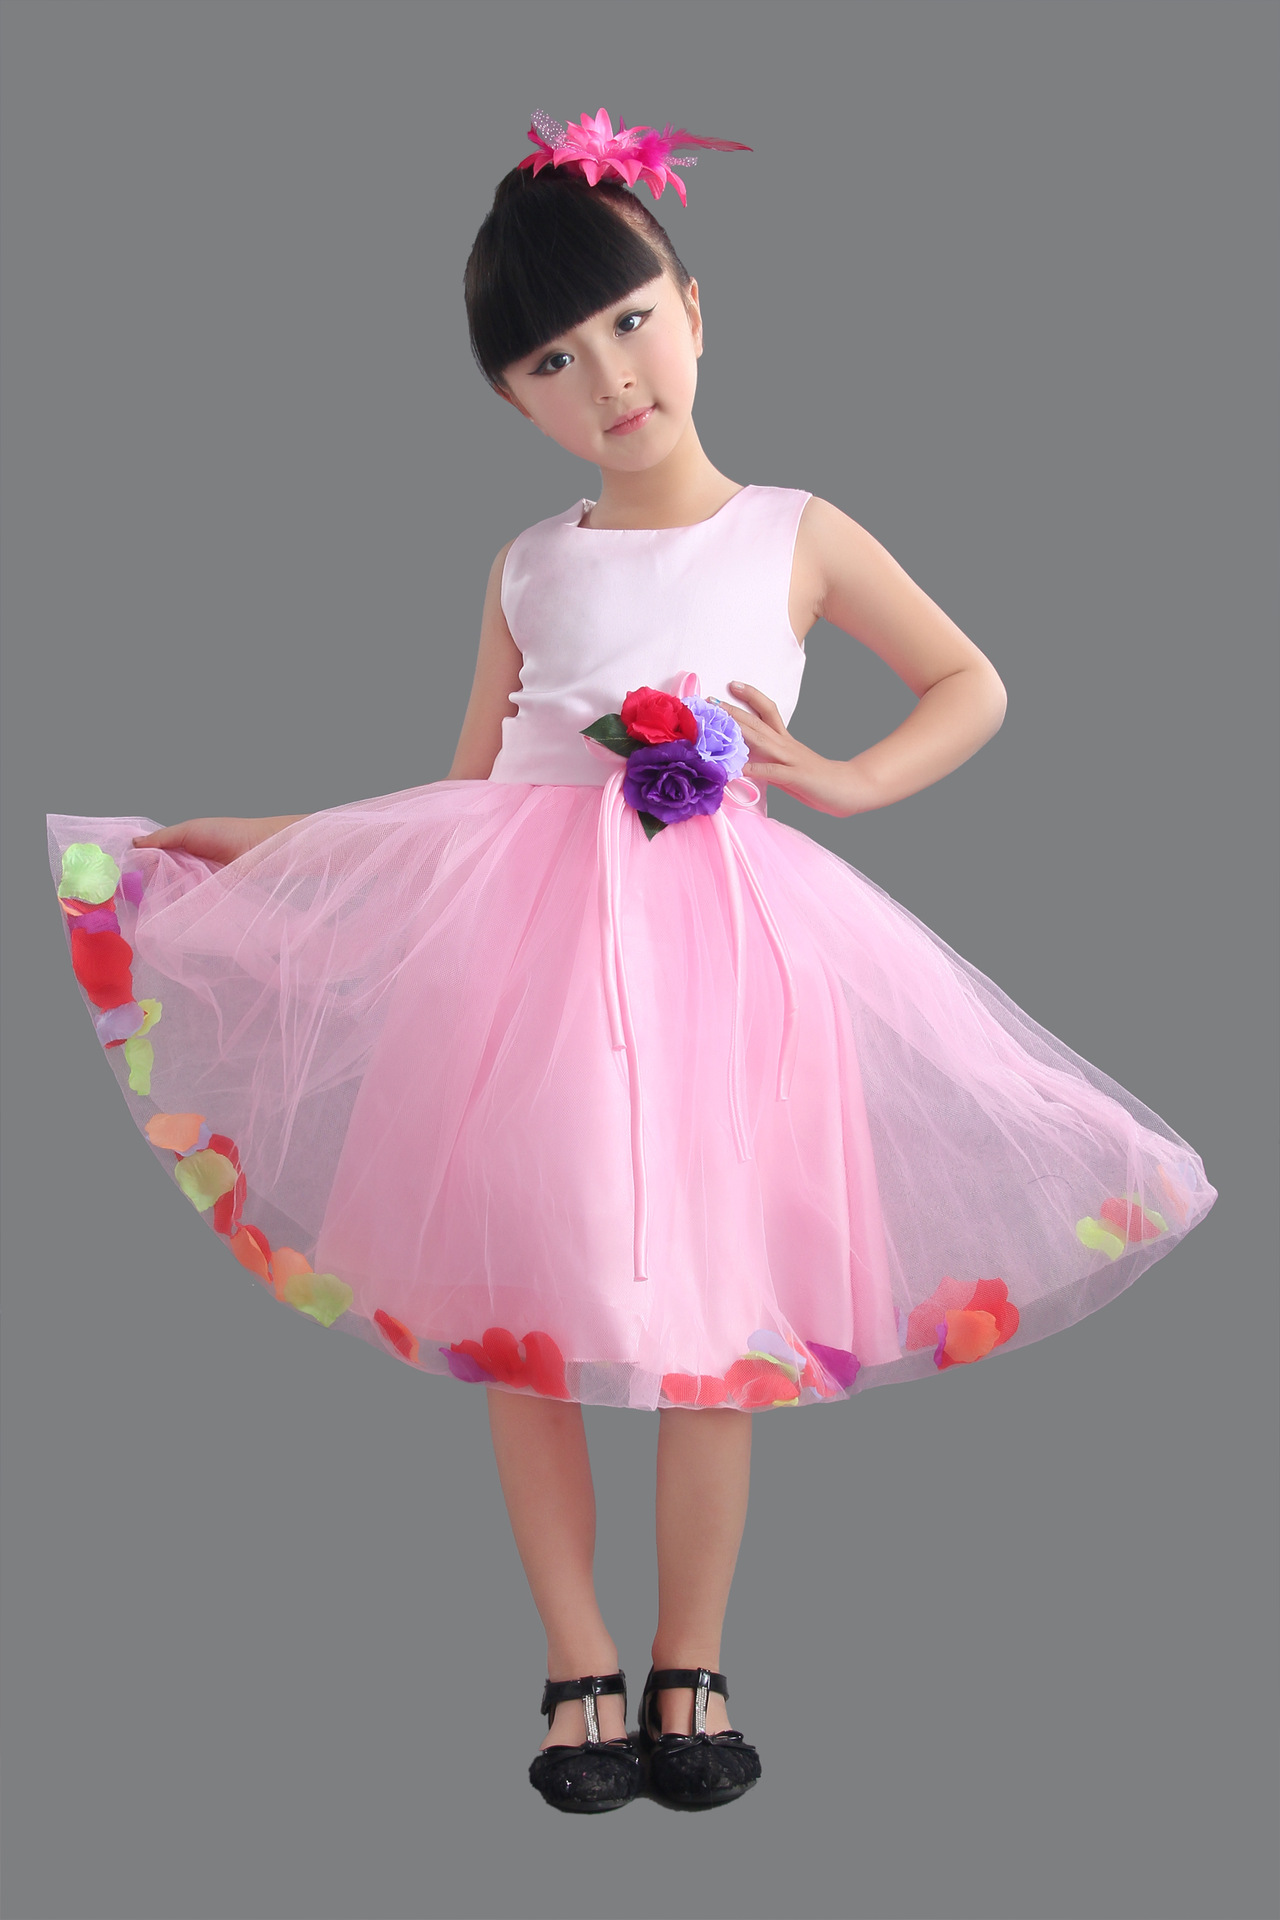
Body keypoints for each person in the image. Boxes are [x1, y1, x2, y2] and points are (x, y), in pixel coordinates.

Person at [46, 111, 1217, 1816]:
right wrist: (270, 845)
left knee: (711, 1326)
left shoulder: (796, 531)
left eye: (629, 320)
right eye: (550, 359)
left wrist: (850, 779)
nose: (606, 375)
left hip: (729, 981)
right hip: (522, 993)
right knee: (524, 1322)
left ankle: (695, 1657)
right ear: (510, 400)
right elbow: (466, 793)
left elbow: (970, 680)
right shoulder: (531, 565)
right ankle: (575, 1655)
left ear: (695, 307)